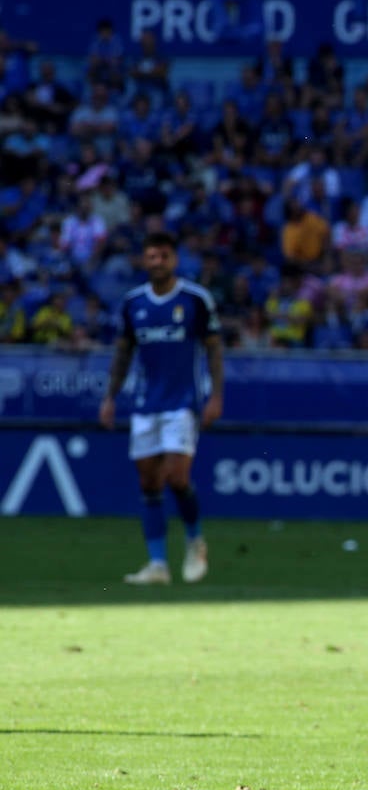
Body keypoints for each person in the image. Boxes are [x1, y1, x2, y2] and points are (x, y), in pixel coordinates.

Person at [100, 231, 224, 585]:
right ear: (144, 260)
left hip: (182, 403)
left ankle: (195, 541)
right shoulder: (133, 303)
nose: (157, 262)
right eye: (151, 256)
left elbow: (214, 348)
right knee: (149, 482)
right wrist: (110, 397)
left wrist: (216, 395)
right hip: (145, 404)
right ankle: (158, 565)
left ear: (175, 259)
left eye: (164, 256)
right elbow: (123, 351)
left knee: (176, 476)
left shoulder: (195, 299)